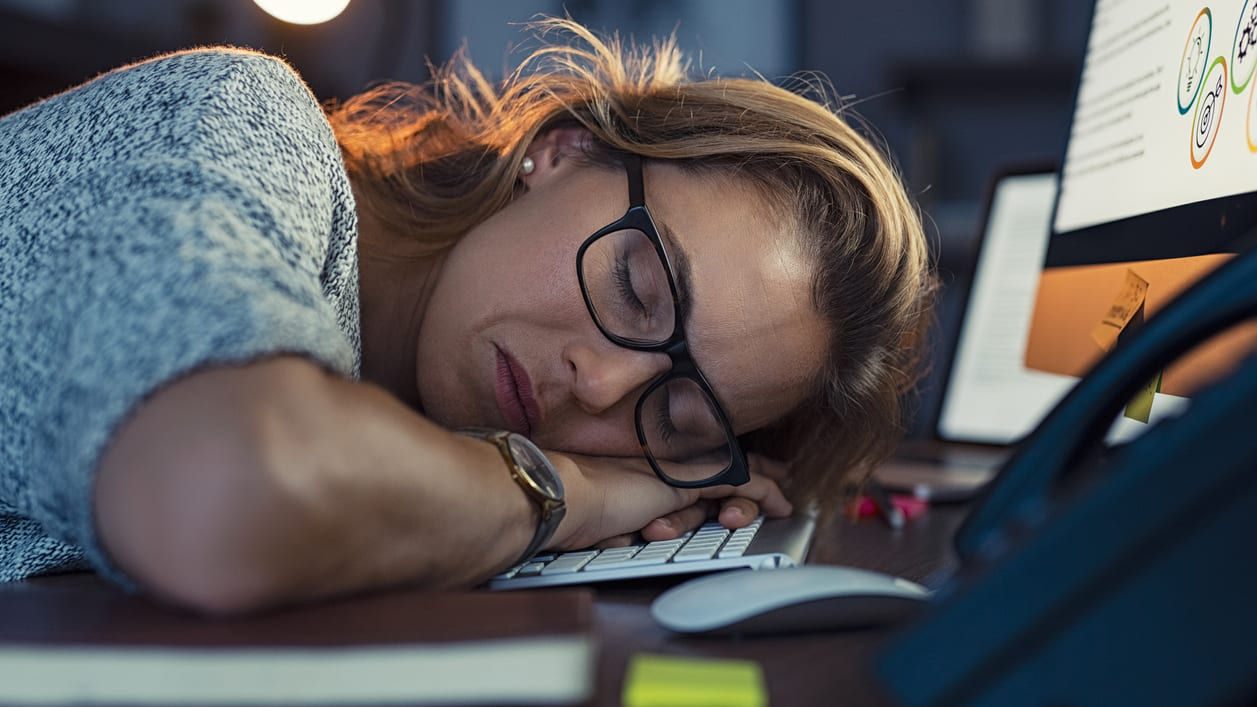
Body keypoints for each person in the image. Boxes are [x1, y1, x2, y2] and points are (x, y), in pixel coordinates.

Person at [0, 19, 933, 613]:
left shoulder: (404, 420)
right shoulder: (241, 121)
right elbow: (223, 495)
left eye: (678, 417)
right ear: (563, 154)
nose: (601, 384)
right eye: (633, 289)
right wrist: (561, 493)